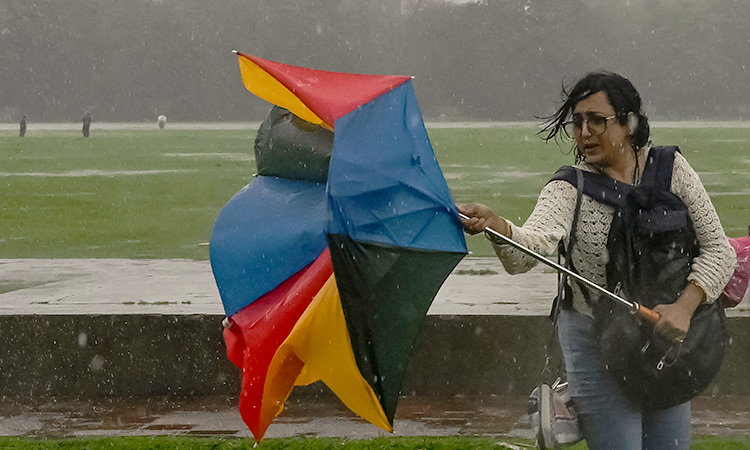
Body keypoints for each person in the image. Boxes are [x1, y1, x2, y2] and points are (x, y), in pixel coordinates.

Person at [459, 71, 735, 450]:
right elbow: (532, 249)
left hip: (666, 338)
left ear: (628, 122)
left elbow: (720, 250)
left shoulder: (672, 169)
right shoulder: (570, 186)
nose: (585, 132)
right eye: (577, 122)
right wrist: (497, 226)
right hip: (595, 339)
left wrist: (684, 308)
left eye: (597, 121)